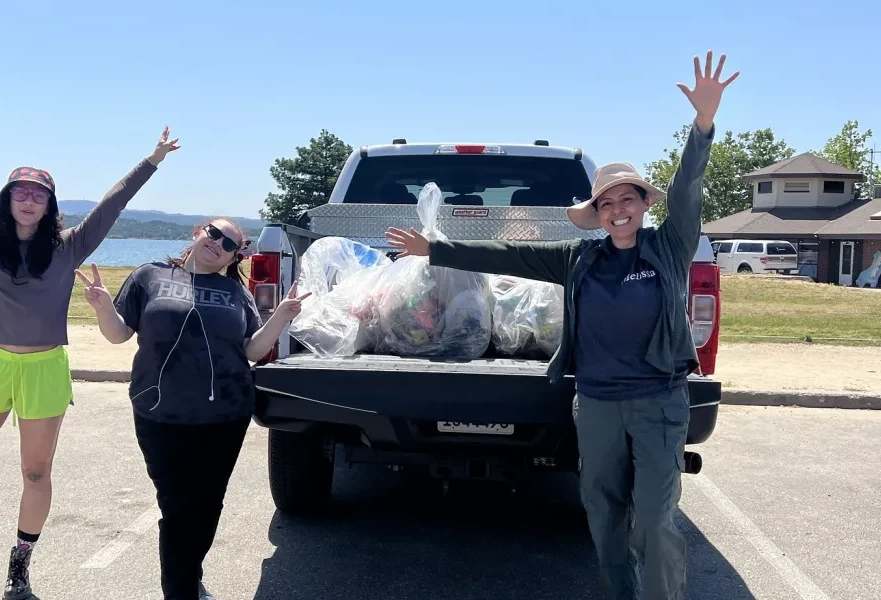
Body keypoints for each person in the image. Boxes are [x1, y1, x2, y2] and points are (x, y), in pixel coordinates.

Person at [385, 52, 738, 599]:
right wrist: (436, 249)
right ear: (596, 213)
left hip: (657, 403)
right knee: (602, 512)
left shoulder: (668, 248)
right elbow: (509, 255)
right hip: (594, 404)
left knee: (653, 518)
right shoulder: (581, 258)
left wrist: (703, 124)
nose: (617, 210)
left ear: (643, 205)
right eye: (606, 204)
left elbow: (689, 187)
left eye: (627, 199)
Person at [0, 85, 179, 600]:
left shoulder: (69, 248)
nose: (28, 198)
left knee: (37, 472)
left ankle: (19, 566)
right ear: (7, 200)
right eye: (20, 191)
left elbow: (113, 204)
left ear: (49, 205)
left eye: (39, 193)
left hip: (45, 367)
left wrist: (150, 160)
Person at [79, 218, 310, 600]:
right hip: (160, 413)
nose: (218, 244)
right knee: (177, 505)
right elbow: (119, 333)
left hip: (226, 414)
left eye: (230, 245)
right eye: (214, 234)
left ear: (235, 256)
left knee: (207, 504)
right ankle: (181, 589)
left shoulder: (235, 291)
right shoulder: (149, 276)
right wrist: (104, 308)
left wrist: (282, 316)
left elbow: (251, 350)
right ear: (197, 233)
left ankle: (189, 574)